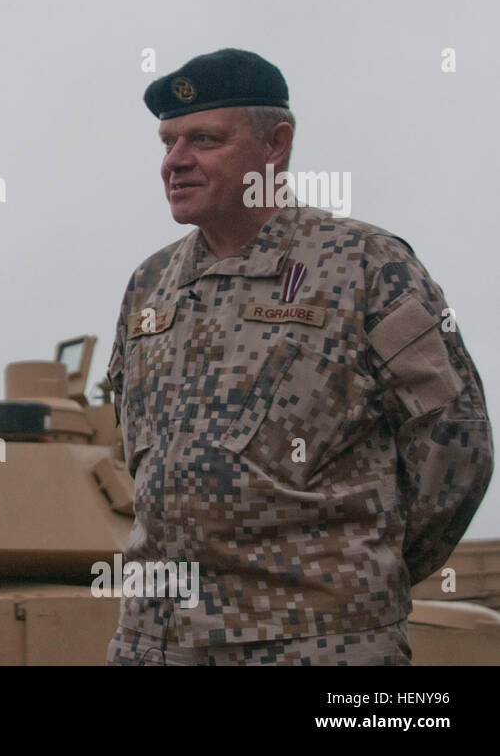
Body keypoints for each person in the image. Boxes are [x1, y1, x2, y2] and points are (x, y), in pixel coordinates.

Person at [105, 48, 493, 665]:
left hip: (318, 642)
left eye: (204, 139)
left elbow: (455, 444)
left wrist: (355, 578)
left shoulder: (363, 267)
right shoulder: (149, 284)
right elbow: (140, 456)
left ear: (275, 143)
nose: (175, 161)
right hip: (158, 644)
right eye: (168, 141)